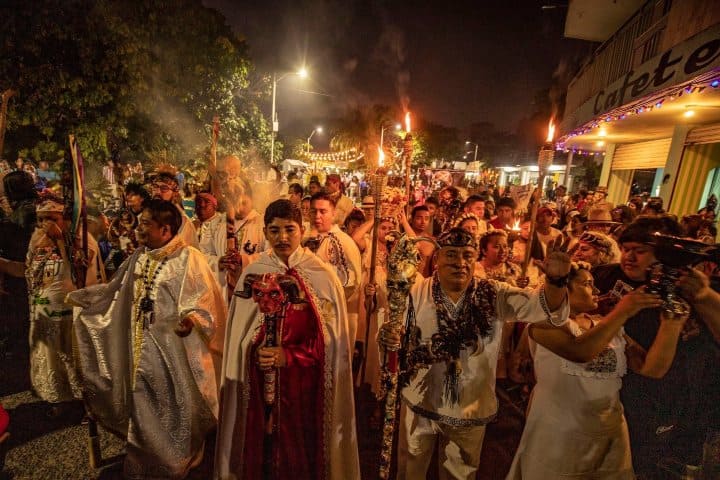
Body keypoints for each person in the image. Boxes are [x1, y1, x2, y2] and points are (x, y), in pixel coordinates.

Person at [379, 228, 571, 480]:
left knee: (460, 474)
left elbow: (542, 308)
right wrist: (387, 337)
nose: (460, 263)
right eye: (451, 255)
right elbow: (393, 332)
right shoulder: (414, 292)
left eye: (467, 255)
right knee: (411, 469)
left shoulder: (494, 293)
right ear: (436, 259)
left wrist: (556, 280)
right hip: (420, 400)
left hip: (469, 405)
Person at [69, 199, 226, 478]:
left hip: (174, 351)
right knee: (142, 400)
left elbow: (204, 299)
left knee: (172, 404)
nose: (138, 229)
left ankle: (175, 456)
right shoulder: (140, 256)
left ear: (166, 229)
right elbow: (116, 290)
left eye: (145, 224)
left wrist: (192, 319)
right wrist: (86, 299)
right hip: (140, 346)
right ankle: (144, 457)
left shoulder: (188, 258)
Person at [215, 199, 360, 480]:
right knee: (262, 451)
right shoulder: (254, 273)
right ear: (266, 232)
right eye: (274, 230)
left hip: (305, 390)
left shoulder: (322, 275)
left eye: (289, 229)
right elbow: (239, 338)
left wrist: (289, 356)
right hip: (259, 387)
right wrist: (253, 348)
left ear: (302, 229)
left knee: (300, 454)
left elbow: (330, 342)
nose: (282, 237)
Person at [507, 262, 688, 479]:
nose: (597, 290)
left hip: (609, 432)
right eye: (587, 284)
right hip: (560, 432)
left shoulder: (605, 324)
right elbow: (580, 351)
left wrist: (672, 324)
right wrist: (624, 310)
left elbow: (652, 368)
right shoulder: (543, 324)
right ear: (563, 289)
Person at [593, 216, 720, 475]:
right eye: (626, 249)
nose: (629, 257)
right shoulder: (604, 276)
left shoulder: (692, 287)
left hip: (667, 400)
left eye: (640, 251)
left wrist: (703, 296)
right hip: (612, 394)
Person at [27, 195, 103, 416]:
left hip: (71, 310)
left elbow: (81, 272)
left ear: (64, 218)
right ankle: (58, 398)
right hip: (44, 309)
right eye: (40, 220)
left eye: (51, 218)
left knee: (74, 354)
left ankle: (84, 403)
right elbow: (30, 271)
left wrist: (60, 240)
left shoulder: (81, 238)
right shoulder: (37, 239)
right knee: (51, 355)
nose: (45, 225)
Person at [308, 192, 362, 339]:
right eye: (313, 211)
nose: (317, 216)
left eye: (323, 211)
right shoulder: (306, 239)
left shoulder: (343, 242)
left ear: (333, 213)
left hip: (333, 314)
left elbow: (352, 282)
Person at [194, 192, 229, 300]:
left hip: (215, 283)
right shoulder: (192, 225)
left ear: (215, 205)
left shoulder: (221, 225)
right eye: (198, 202)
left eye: (206, 201)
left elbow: (223, 259)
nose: (202, 205)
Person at [150, 171, 198, 248]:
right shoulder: (151, 214)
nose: (158, 192)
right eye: (155, 187)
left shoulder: (182, 222)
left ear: (175, 194)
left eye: (164, 188)